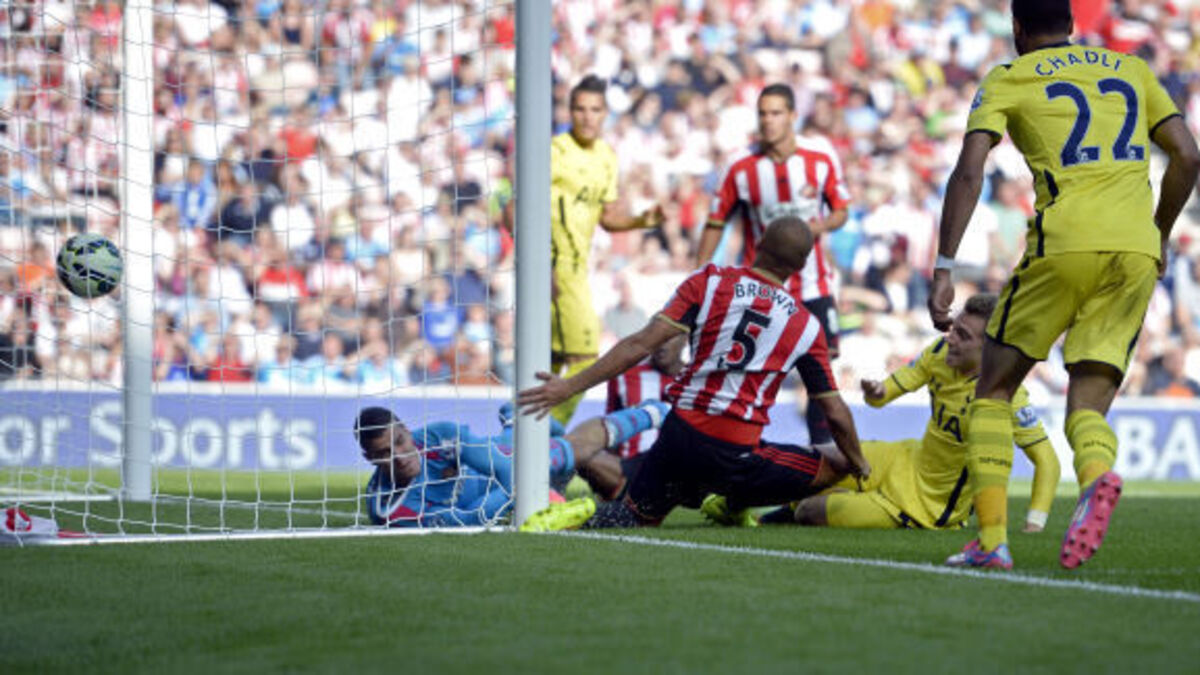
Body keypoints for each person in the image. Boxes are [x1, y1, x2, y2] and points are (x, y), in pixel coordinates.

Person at [928, 0, 1200, 569]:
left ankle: (992, 542)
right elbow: (1187, 155)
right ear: (1072, 26)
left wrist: (945, 265)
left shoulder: (1009, 76)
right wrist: (1158, 233)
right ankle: (1096, 476)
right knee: (1089, 399)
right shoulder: (1132, 68)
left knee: (993, 388)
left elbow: (970, 170)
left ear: (1017, 28)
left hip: (1064, 241)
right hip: (1135, 249)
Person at [517, 217, 869, 532]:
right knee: (836, 463)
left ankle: (576, 515)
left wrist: (568, 386)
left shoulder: (710, 281)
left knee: (635, 517)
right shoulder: (806, 326)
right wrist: (860, 464)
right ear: (802, 265)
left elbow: (639, 344)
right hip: (734, 453)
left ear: (759, 242)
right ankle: (732, 504)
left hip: (680, 436)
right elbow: (834, 412)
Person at [773, 295, 1061, 532]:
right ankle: (762, 510)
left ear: (990, 348)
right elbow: (882, 396)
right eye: (954, 329)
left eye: (963, 335)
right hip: (906, 459)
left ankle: (819, 505)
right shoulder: (939, 353)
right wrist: (876, 391)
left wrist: (1034, 524)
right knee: (820, 458)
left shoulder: (1006, 396)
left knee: (810, 510)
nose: (951, 339)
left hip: (929, 504)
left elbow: (1047, 461)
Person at [697, 83, 851, 452]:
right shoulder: (739, 166)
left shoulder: (820, 158)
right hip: (761, 290)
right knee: (746, 371)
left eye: (776, 113)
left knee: (821, 376)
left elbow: (841, 210)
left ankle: (821, 454)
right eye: (762, 113)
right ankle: (737, 451)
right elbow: (716, 221)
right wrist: (699, 274)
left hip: (814, 285)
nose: (768, 121)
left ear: (793, 116)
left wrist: (818, 227)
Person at [549, 75, 665, 427]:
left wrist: (642, 220)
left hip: (577, 266)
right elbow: (514, 209)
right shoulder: (554, 151)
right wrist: (539, 265)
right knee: (586, 357)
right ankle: (549, 437)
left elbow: (608, 218)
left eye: (595, 110)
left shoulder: (606, 158)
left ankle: (517, 441)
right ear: (570, 111)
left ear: (605, 114)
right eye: (580, 109)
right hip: (555, 267)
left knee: (551, 361)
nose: (587, 117)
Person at [358, 400, 669, 528]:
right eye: (384, 453)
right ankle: (518, 421)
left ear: (407, 430)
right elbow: (470, 519)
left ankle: (656, 411)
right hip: (496, 497)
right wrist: (522, 492)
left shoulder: (438, 436)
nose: (399, 456)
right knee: (551, 453)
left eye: (400, 441)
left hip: (501, 464)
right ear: (370, 459)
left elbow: (505, 466)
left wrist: (527, 485)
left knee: (560, 453)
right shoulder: (392, 511)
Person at [604, 332, 686, 459]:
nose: (662, 344)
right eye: (657, 337)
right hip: (628, 466)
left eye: (669, 337)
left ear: (685, 339)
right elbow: (611, 428)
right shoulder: (624, 376)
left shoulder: (697, 380)